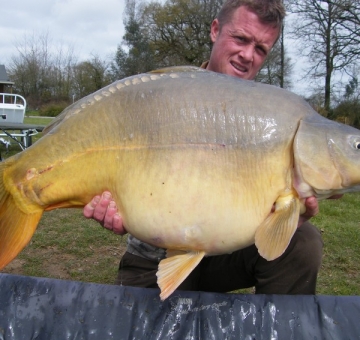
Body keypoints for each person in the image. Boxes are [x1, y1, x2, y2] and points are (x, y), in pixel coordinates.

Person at [83, 0, 324, 295]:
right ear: (215, 30)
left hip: (226, 257)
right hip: (152, 255)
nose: (247, 55)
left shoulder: (269, 120)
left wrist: (288, 220)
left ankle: (275, 338)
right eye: (241, 39)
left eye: (260, 49)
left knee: (304, 242)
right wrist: (120, 210)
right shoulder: (163, 96)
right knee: (145, 338)